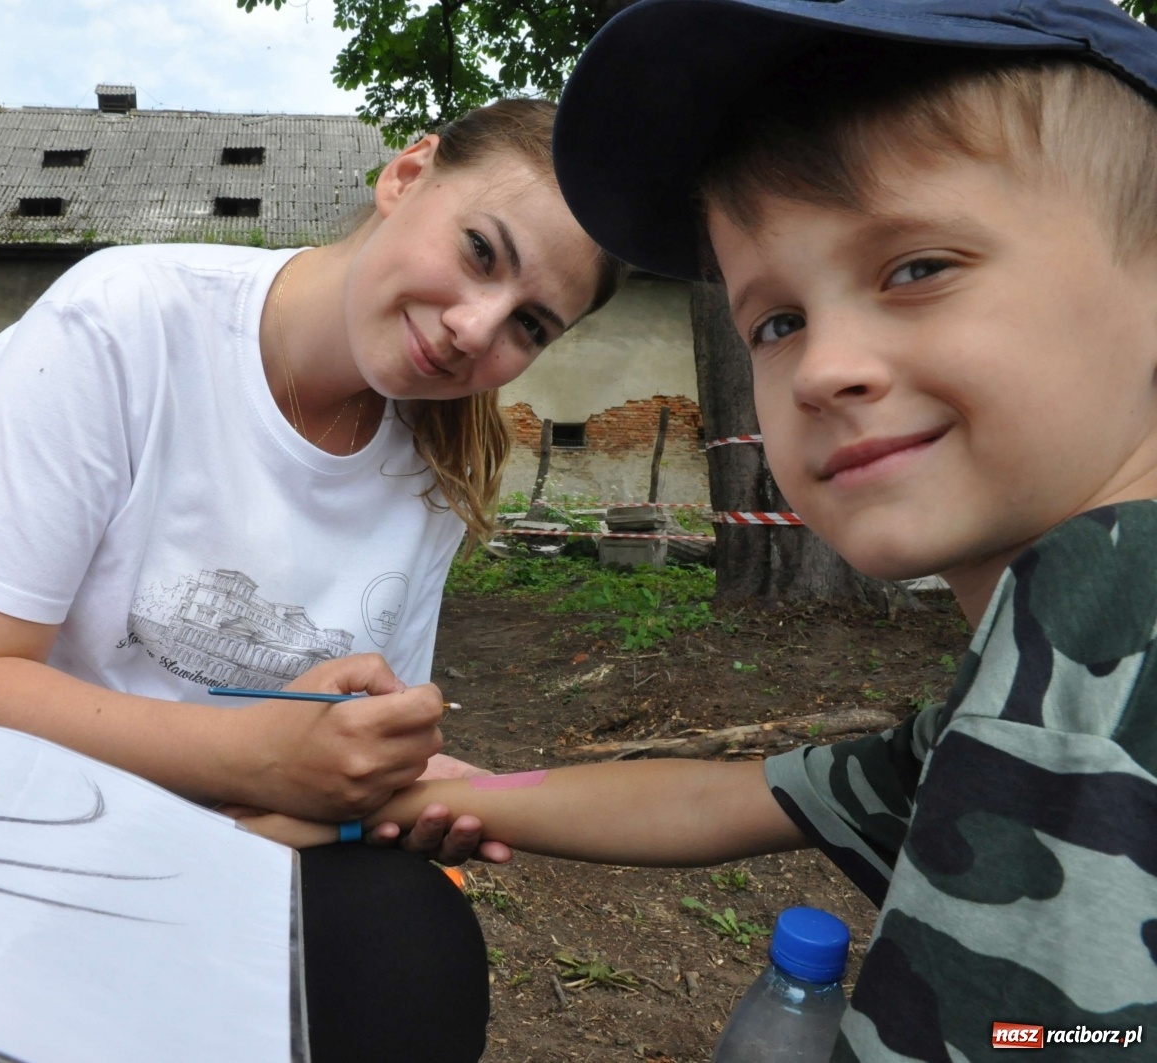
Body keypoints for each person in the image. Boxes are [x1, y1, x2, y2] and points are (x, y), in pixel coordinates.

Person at [244, 0, 1157, 1055]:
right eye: (775, 320)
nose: (822, 368)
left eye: (917, 268)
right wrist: (458, 790)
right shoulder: (1030, 670)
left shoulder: (1111, 620)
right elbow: (727, 800)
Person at [0, 97, 621, 1062]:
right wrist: (264, 758)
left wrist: (381, 781)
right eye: (481, 252)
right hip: (22, 820)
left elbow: (340, 760)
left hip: (254, 841)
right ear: (407, 176)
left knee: (414, 941)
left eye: (529, 325)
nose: (472, 329)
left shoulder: (440, 469)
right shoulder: (123, 322)